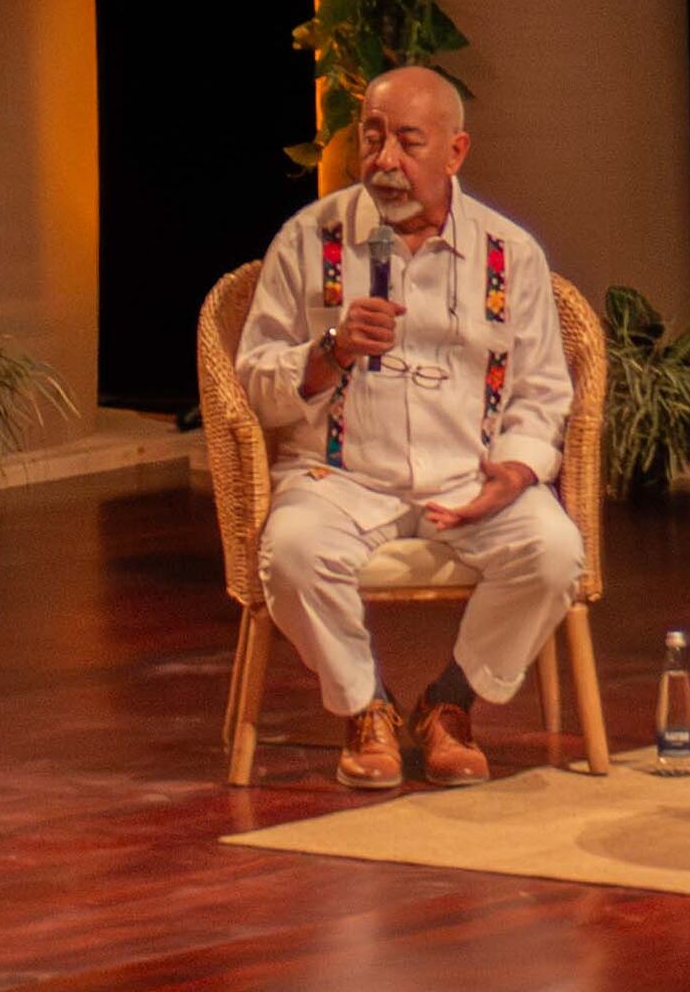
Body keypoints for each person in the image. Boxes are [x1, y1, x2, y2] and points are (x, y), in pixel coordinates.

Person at [232, 64, 580, 788]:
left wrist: (512, 473)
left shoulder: (509, 254)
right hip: (341, 478)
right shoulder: (309, 239)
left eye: (408, 142)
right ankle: (367, 709)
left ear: (455, 152)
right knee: (291, 553)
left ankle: (452, 703)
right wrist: (329, 352)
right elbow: (253, 380)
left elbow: (544, 391)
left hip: (468, 477)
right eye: (374, 137)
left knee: (553, 551)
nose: (385, 161)